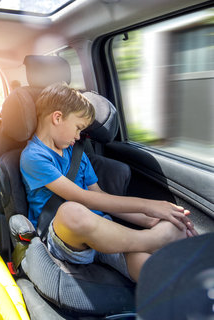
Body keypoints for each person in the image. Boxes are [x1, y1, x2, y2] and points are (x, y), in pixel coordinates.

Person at [20, 83, 197, 282]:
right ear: (57, 117)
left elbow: (100, 196)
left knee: (166, 238)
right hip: (63, 237)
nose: (78, 137)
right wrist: (150, 205)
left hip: (105, 234)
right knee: (72, 211)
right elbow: (83, 198)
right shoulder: (33, 157)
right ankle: (153, 240)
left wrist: (150, 219)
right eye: (78, 128)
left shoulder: (77, 153)